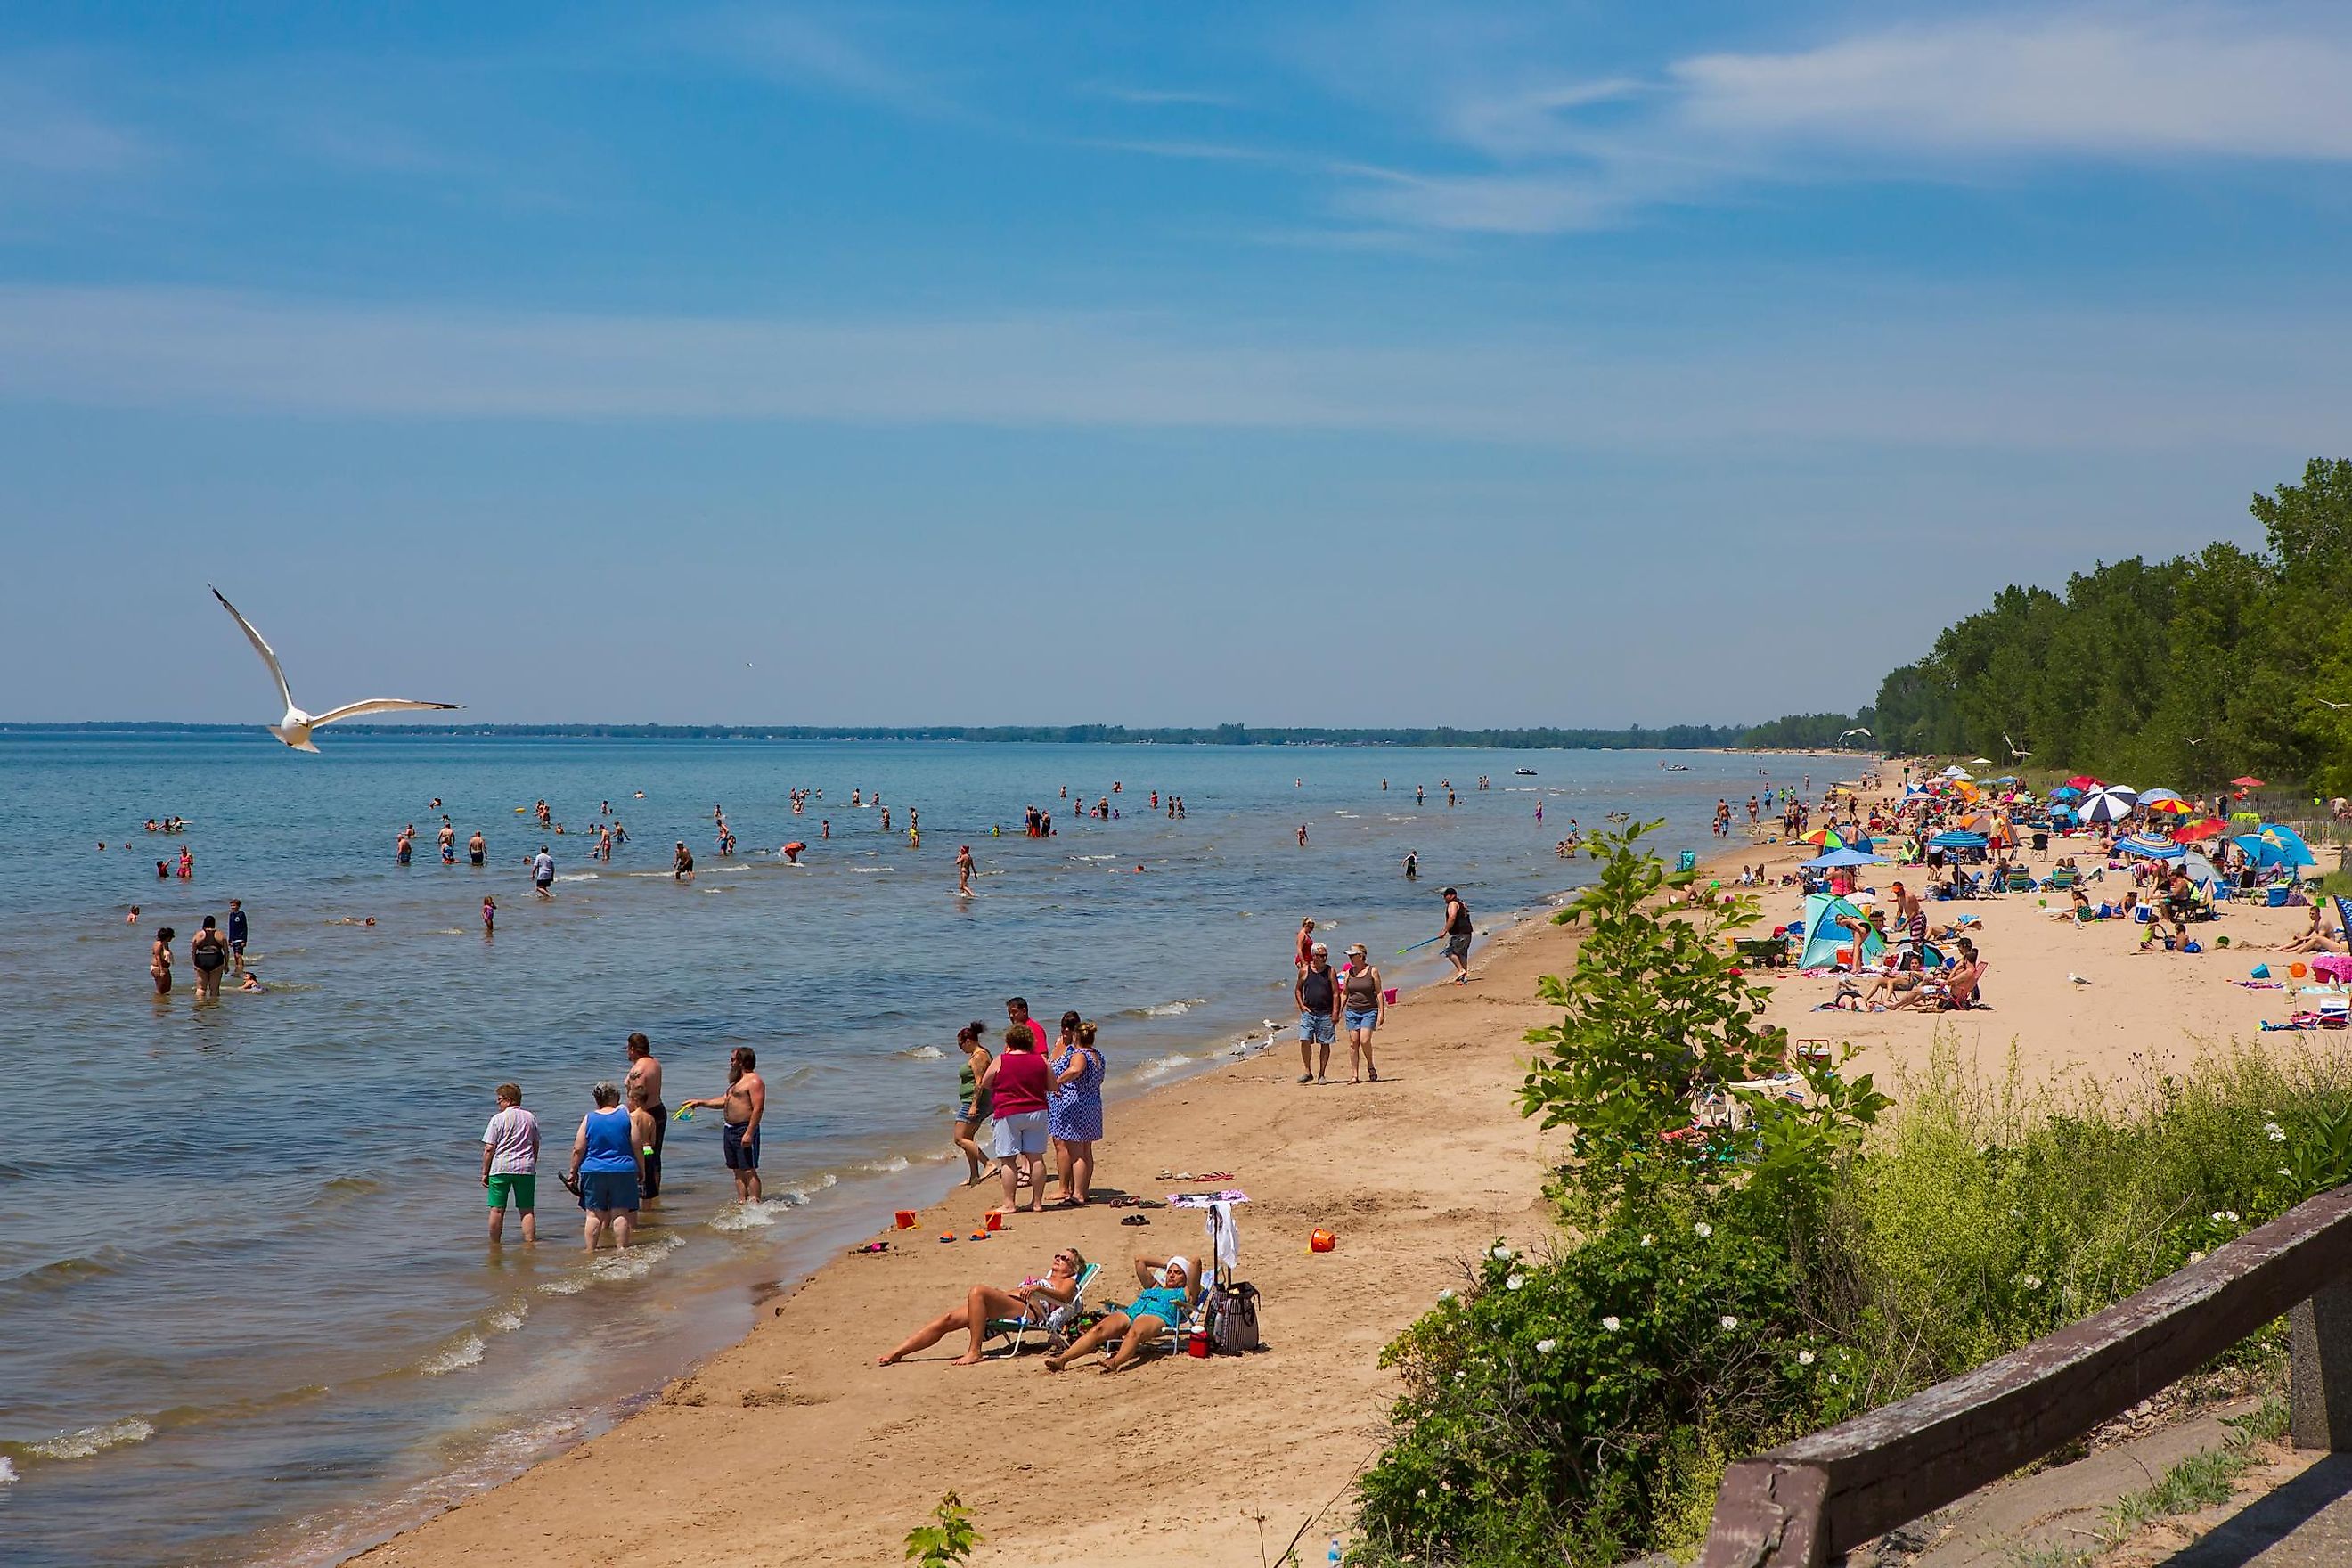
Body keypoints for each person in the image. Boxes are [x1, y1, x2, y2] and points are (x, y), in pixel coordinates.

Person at [878, 1245, 1090, 1368]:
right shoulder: (1043, 1278)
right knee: (949, 1319)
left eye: (1064, 1258)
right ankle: (899, 1352)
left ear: (1073, 1267)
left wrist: (1037, 1289)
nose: (1058, 1259)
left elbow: (1064, 1296)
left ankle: (975, 1351)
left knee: (977, 1291)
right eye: (1057, 1255)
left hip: (1029, 1311)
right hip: (1010, 1304)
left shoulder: (1068, 1281)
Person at [1043, 1254, 1201, 1375]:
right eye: (1170, 1272)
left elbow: (1196, 1261)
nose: (1172, 1275)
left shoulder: (1187, 1292)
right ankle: (1062, 1360)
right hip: (1131, 1312)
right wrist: (1169, 1262)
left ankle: (1115, 1361)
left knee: (1135, 1332)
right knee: (1098, 1329)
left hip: (1158, 1316)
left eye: (1178, 1272)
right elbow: (1139, 1260)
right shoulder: (1154, 1286)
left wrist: (1180, 1262)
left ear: (1186, 1277)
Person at [980, 1019, 1050, 1215]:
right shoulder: (1040, 1060)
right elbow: (1052, 1086)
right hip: (1037, 1111)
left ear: (1010, 1041)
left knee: (1008, 1160)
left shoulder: (1002, 1059)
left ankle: (1010, 1203)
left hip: (1008, 1112)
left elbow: (985, 1082)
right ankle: (1037, 1203)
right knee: (1036, 1158)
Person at [681, 1047, 765, 1203]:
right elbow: (724, 1101)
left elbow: (758, 1108)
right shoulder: (736, 1083)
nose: (730, 1062)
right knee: (736, 1170)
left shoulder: (754, 1081)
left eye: (733, 1059)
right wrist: (701, 1102)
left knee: (748, 1170)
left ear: (741, 1062)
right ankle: (742, 1201)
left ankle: (756, 1204)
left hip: (744, 1128)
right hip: (730, 1130)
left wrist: (749, 1133)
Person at [566, 1082, 643, 1250]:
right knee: (620, 1212)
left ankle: (590, 1250)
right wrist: (641, 1169)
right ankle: (622, 1250)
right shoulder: (625, 1117)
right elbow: (637, 1145)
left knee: (593, 1215)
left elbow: (578, 1149)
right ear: (615, 1097)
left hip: (593, 1169)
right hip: (623, 1169)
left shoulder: (589, 1118)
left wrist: (573, 1172)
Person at [1049, 1019, 1106, 1207]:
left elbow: (1075, 1070)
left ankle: (1078, 1194)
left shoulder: (1080, 1054)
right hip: (1092, 1103)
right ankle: (1084, 1191)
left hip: (1077, 1105)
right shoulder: (1098, 1055)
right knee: (1086, 1151)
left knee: (1076, 1153)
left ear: (1076, 1036)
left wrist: (1057, 1081)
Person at [481, 1082, 541, 1244]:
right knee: (527, 1209)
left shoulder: (498, 1119)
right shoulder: (530, 1117)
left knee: (497, 1209)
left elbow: (489, 1148)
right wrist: (532, 1162)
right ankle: (530, 1243)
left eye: (499, 1100)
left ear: (508, 1100)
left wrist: (484, 1172)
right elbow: (535, 1144)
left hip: (500, 1168)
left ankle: (494, 1245)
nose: (498, 1103)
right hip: (525, 1168)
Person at [952, 1021, 995, 1184]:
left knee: (959, 1138)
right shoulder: (979, 1054)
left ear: (968, 1041)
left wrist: (974, 1105)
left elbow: (979, 1082)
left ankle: (988, 1164)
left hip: (974, 1101)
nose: (960, 1048)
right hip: (972, 1101)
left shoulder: (979, 1056)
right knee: (968, 1137)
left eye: (960, 1044)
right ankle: (974, 1175)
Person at [625, 1033, 666, 1197]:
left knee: (638, 1153)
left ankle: (642, 1192)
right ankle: (654, 1194)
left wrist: (628, 1114)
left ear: (633, 1049)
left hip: (643, 1114)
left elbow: (637, 1095)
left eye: (628, 1049)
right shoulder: (655, 1063)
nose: (627, 1053)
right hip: (658, 1110)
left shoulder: (639, 1069)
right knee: (653, 1154)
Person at [1340, 943, 1384, 1083]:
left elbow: (1378, 992)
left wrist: (1382, 1012)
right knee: (1353, 1042)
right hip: (1352, 1011)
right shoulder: (1349, 973)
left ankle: (1370, 1065)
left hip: (1369, 1010)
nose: (1350, 958)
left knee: (1364, 1040)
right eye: (1349, 956)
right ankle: (1355, 1075)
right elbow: (1345, 993)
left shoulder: (1372, 971)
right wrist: (1338, 1011)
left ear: (1361, 956)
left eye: (1352, 956)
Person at [1294, 942, 1338, 1083]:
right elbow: (1298, 989)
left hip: (1326, 1013)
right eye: (1321, 956)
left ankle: (1322, 1074)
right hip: (1309, 1012)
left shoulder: (1330, 971)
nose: (1324, 958)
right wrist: (1301, 1005)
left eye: (1325, 955)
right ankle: (1307, 1071)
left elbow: (1336, 993)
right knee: (1304, 1039)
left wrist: (1336, 1011)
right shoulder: (1304, 971)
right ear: (1314, 956)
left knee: (1325, 1043)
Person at [190, 915, 230, 1000]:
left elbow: (193, 951)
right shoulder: (220, 935)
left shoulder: (198, 935)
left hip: (201, 960)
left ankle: (200, 1007)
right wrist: (226, 964)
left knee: (201, 988)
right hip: (216, 960)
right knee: (214, 988)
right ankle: (214, 1008)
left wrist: (195, 963)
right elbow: (226, 952)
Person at [1441, 887, 1473, 984]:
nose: (1444, 898)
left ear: (1452, 895)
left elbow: (1452, 917)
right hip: (1467, 932)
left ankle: (1461, 970)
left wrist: (1444, 931)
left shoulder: (1453, 904)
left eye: (1445, 896)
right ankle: (1463, 977)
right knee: (1462, 954)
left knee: (1449, 951)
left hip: (1460, 933)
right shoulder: (1461, 903)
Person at [150, 925, 175, 996]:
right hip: (158, 968)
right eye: (171, 936)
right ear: (167, 937)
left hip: (165, 968)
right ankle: (158, 1003)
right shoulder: (159, 944)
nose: (172, 938)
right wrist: (161, 970)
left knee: (167, 988)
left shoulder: (165, 943)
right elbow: (158, 957)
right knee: (160, 989)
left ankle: (164, 1004)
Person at [226, 898, 249, 974]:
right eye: (231, 905)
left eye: (234, 905)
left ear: (238, 906)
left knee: (238, 955)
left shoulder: (241, 914)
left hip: (240, 938)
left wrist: (244, 940)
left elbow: (245, 927)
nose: (232, 907)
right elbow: (230, 928)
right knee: (235, 956)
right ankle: (237, 967)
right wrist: (230, 940)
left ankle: (241, 969)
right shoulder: (231, 915)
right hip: (233, 939)